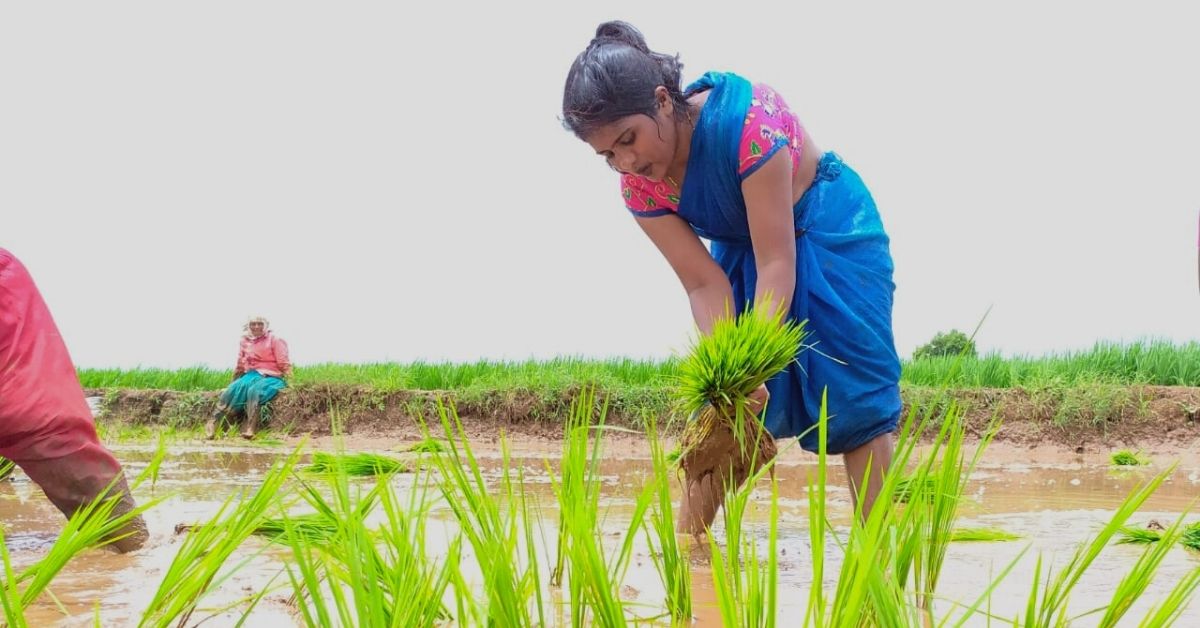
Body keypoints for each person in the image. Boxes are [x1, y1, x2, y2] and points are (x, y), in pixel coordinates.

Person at [561, 21, 902, 532]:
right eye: (608, 154)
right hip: (746, 251)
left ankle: (879, 562)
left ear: (661, 101)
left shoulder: (747, 125)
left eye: (628, 139)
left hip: (827, 228)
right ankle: (688, 555)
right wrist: (737, 375)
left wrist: (756, 361)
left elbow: (778, 261)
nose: (626, 161)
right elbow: (703, 283)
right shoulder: (640, 189)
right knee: (730, 407)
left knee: (854, 392)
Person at [0, 248, 148, 552]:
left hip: (25, 397)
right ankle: (135, 555)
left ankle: (136, 556)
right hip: (33, 404)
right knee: (59, 442)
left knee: (46, 427)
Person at [205, 316, 291, 440]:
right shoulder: (245, 341)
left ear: (265, 325)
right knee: (231, 391)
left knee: (254, 391)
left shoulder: (275, 339)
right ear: (248, 325)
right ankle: (212, 423)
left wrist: (290, 380)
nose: (256, 327)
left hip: (272, 376)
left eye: (260, 324)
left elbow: (283, 362)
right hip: (251, 375)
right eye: (253, 324)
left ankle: (250, 428)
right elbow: (240, 364)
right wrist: (233, 382)